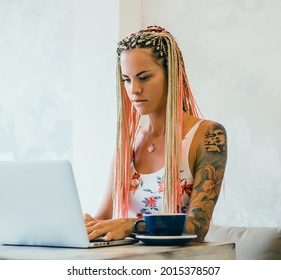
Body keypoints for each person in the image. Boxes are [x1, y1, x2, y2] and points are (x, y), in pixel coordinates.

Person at [85, 25, 227, 242]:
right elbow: (102, 217)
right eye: (127, 79)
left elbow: (198, 227)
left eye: (144, 77)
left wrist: (130, 224)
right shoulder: (128, 142)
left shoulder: (208, 135)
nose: (134, 89)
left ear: (172, 75)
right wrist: (84, 226)